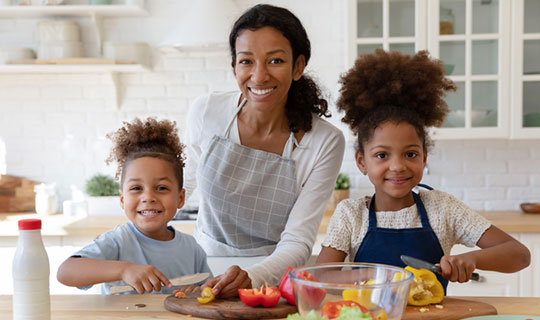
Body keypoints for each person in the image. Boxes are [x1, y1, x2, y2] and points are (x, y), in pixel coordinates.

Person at [317, 49, 530, 290]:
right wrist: (378, 275)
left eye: (410, 154)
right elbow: (322, 276)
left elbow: (520, 254)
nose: (397, 166)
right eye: (381, 155)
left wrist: (472, 259)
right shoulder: (350, 215)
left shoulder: (443, 209)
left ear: (424, 157)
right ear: (361, 161)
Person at [184, 4, 345, 296]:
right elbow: (179, 186)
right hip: (203, 270)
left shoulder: (325, 142)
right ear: (234, 66)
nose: (259, 76)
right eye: (246, 61)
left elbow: (298, 241)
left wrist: (253, 278)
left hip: (272, 278)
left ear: (298, 67)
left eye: (275, 61)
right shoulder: (207, 111)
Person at [57, 118, 212, 294]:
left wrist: (198, 292)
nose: (148, 197)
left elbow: (207, 292)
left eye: (161, 188)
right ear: (122, 200)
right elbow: (65, 272)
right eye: (136, 188)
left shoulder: (192, 249)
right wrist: (124, 270)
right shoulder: (117, 241)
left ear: (180, 198)